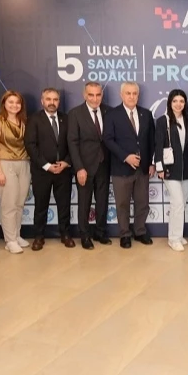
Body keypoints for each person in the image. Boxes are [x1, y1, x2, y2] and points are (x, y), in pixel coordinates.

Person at [104, 81, 156, 249]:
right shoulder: (112, 114)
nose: (132, 96)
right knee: (122, 204)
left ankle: (140, 231)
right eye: (128, 93)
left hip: (143, 168)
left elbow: (151, 140)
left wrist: (152, 163)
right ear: (121, 95)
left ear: (138, 96)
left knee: (142, 202)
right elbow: (108, 139)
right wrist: (126, 157)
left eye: (134, 93)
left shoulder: (146, 114)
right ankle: (125, 234)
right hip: (121, 168)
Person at [24, 87, 75, 250]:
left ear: (59, 102)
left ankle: (65, 234)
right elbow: (30, 145)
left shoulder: (67, 119)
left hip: (63, 170)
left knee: (64, 205)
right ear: (42, 101)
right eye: (48, 99)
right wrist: (46, 166)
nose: (52, 102)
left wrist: (66, 162)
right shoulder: (34, 119)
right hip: (42, 171)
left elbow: (73, 143)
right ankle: (39, 236)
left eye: (55, 99)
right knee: (41, 205)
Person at [67, 82, 112, 250]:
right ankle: (85, 235)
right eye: (91, 95)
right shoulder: (75, 113)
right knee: (84, 202)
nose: (95, 98)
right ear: (84, 95)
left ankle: (100, 232)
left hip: (104, 164)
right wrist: (79, 167)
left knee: (102, 201)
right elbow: (72, 142)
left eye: (98, 94)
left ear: (102, 95)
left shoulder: (109, 111)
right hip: (84, 166)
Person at [0, 91, 31, 254]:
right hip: (4, 164)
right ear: (4, 104)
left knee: (19, 203)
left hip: (24, 164)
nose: (14, 105)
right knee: (9, 205)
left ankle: (16, 235)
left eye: (17, 102)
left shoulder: (23, 122)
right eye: (11, 102)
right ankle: (10, 240)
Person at [155, 90, 188, 252]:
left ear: (185, 103)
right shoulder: (163, 121)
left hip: (186, 169)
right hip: (170, 169)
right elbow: (158, 145)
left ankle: (177, 236)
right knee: (178, 203)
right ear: (170, 103)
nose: (178, 104)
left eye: (181, 101)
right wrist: (160, 168)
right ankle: (173, 239)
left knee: (181, 204)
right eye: (175, 101)